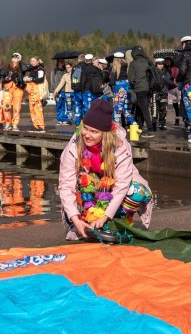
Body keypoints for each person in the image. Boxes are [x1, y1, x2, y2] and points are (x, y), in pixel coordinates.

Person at [58, 99, 153, 240]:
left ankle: (115, 221)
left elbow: (122, 185)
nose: (87, 135)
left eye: (94, 132)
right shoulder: (74, 145)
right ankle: (81, 222)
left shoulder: (120, 145)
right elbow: (66, 185)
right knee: (80, 184)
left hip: (113, 188)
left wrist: (106, 215)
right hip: (89, 189)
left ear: (105, 133)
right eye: (85, 128)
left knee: (137, 191)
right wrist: (74, 218)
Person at [127, 45, 154, 137]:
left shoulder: (133, 64)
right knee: (141, 107)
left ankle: (150, 129)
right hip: (149, 88)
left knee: (144, 109)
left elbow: (130, 78)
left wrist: (134, 84)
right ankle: (139, 126)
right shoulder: (148, 61)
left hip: (139, 88)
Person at [0, 52, 26, 131]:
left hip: (18, 88)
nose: (15, 58)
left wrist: (20, 61)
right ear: (11, 58)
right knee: (6, 106)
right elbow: (1, 77)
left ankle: (15, 125)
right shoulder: (7, 66)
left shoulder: (21, 67)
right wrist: (5, 79)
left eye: (17, 57)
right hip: (8, 87)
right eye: (13, 57)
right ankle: (8, 123)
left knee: (17, 107)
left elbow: (26, 68)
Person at [109, 52, 135, 127]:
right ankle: (134, 124)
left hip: (119, 90)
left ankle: (117, 129)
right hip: (127, 88)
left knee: (117, 110)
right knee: (126, 110)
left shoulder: (115, 68)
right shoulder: (127, 66)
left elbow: (112, 82)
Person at [23, 56, 47, 132]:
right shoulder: (32, 68)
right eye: (31, 61)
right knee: (32, 108)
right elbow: (25, 68)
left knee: (38, 108)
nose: (32, 63)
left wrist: (30, 79)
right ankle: (35, 125)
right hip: (31, 90)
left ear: (38, 61)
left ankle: (41, 126)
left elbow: (40, 79)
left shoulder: (40, 69)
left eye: (33, 61)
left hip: (37, 90)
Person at [150, 58, 174, 131]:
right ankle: (154, 123)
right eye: (159, 64)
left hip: (164, 92)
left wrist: (164, 78)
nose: (160, 66)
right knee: (154, 109)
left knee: (163, 109)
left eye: (162, 64)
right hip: (155, 92)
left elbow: (170, 82)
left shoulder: (166, 72)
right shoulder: (152, 72)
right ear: (156, 64)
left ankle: (162, 123)